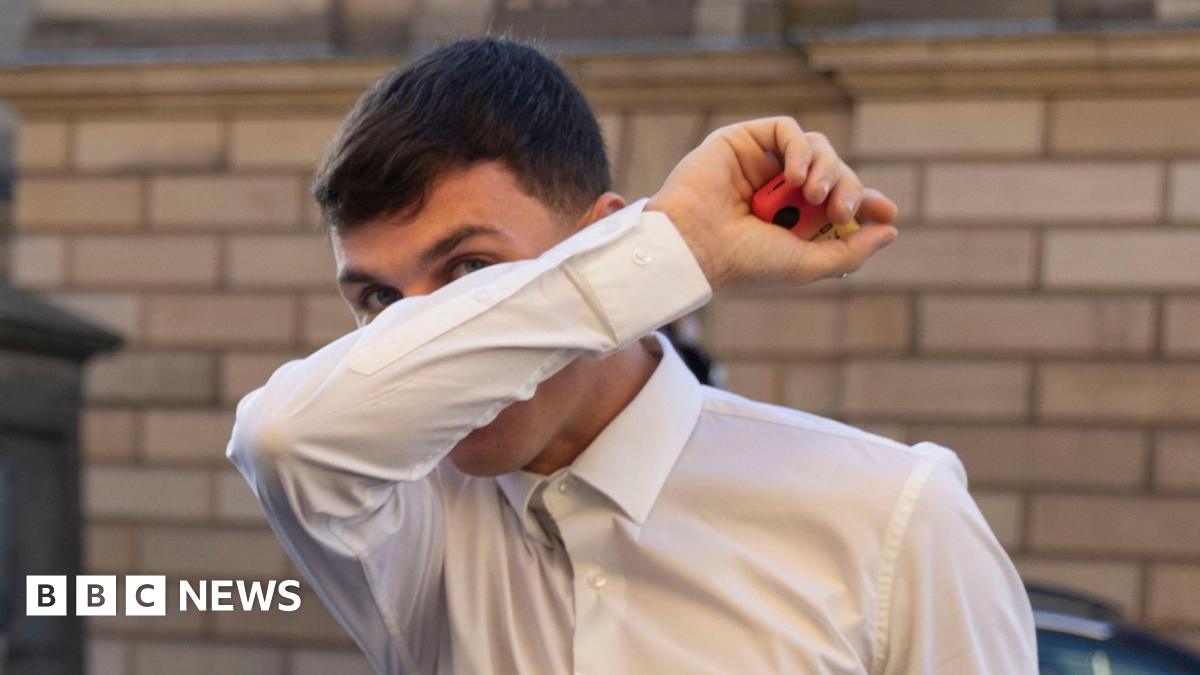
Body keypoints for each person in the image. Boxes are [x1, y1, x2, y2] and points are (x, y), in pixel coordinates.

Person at [225, 37, 1038, 674]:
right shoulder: (411, 522)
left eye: (472, 271)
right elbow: (280, 439)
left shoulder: (890, 513)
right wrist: (674, 246)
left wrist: (636, 259)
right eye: (379, 301)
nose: (423, 329)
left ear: (598, 237)